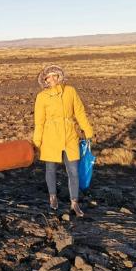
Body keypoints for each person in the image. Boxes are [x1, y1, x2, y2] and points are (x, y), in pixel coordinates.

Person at [33, 65, 93, 217]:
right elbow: (39, 121)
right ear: (45, 80)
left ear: (59, 76)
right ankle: (52, 197)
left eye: (55, 75)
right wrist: (37, 141)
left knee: (73, 171)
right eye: (49, 77)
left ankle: (74, 203)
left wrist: (87, 130)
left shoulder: (70, 91)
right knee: (50, 169)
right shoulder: (42, 97)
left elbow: (79, 112)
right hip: (50, 136)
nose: (52, 79)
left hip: (69, 135)